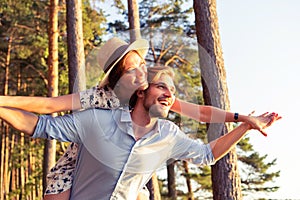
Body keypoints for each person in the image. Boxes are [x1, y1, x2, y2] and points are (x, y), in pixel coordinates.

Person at [0, 37, 273, 199]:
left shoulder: (153, 95)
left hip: (127, 169)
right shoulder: (97, 98)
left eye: (142, 64)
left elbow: (200, 113)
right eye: (134, 68)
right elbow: (47, 107)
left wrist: (242, 119)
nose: (142, 71)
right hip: (79, 163)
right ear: (119, 75)